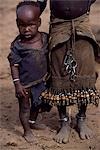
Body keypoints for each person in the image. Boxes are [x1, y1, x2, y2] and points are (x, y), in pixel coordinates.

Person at [37, 0, 100, 144]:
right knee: (59, 74)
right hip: (59, 26)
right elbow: (39, 3)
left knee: (85, 73)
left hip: (81, 23)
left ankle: (81, 118)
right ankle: (64, 121)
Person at [8, 1, 50, 143]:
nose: (26, 29)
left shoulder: (45, 39)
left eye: (31, 25)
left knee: (37, 104)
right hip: (25, 85)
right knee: (25, 108)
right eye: (22, 25)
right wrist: (17, 85)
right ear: (17, 23)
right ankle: (27, 131)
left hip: (41, 81)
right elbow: (14, 65)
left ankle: (33, 121)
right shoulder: (18, 45)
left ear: (38, 22)